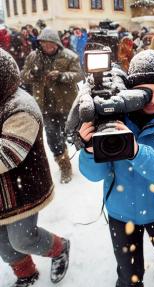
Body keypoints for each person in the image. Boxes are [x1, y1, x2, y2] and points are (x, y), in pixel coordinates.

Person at [78, 49, 154, 287]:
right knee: (128, 277)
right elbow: (93, 175)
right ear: (130, 91)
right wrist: (89, 150)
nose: (152, 99)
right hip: (121, 212)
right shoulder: (111, 110)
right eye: (144, 93)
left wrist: (134, 150)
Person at [0, 48, 70, 287]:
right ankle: (26, 273)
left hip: (23, 189)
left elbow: (8, 154)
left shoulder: (21, 107)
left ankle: (60, 247)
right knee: (2, 243)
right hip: (2, 193)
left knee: (22, 239)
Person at [21, 27, 84, 184]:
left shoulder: (70, 56)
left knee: (72, 133)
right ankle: (64, 166)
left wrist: (62, 76)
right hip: (45, 106)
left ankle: (86, 160)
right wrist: (32, 74)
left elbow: (79, 75)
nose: (47, 47)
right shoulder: (33, 57)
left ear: (57, 43)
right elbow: (23, 76)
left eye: (50, 44)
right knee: (53, 138)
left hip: (66, 103)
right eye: (44, 44)